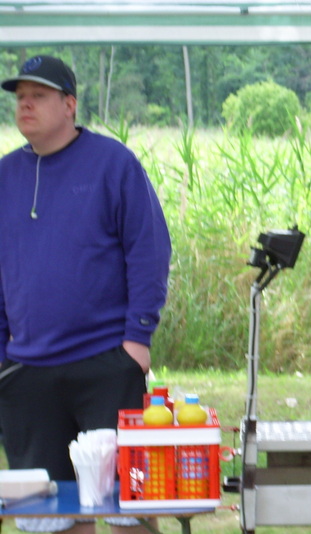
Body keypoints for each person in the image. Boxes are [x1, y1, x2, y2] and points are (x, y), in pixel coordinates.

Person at [0, 55, 171, 534]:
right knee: (48, 513)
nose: (25, 105)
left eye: (38, 96)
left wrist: (137, 341)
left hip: (105, 363)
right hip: (27, 372)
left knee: (127, 506)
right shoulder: (5, 176)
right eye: (19, 98)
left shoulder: (113, 164)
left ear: (69, 104)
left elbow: (149, 249)